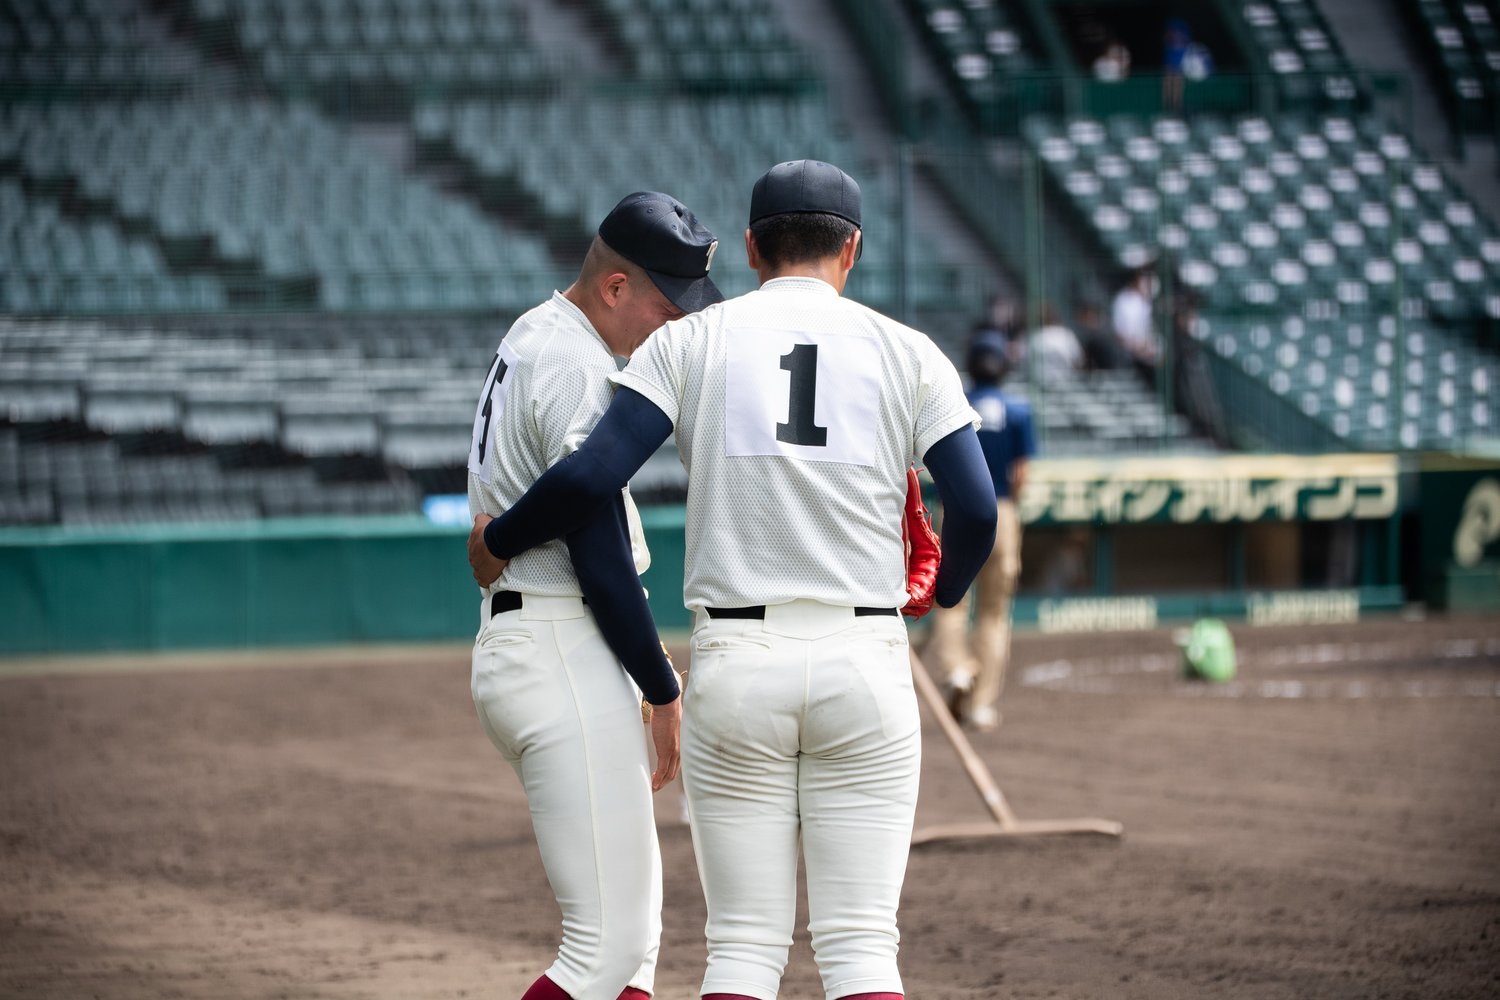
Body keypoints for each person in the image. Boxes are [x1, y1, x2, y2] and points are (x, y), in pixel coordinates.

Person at [467, 160, 998, 1000]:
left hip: (739, 658)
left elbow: (591, 477)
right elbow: (976, 507)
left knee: (743, 950)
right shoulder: (910, 350)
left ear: (750, 248)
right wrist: (945, 593)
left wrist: (498, 536)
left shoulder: (690, 340)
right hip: (865, 651)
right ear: (852, 249)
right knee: (863, 949)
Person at [466, 191, 722, 1000]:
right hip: (558, 645)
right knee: (604, 952)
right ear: (615, 287)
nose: (676, 326)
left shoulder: (538, 332)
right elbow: (599, 551)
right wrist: (662, 686)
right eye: (667, 307)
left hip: (541, 641)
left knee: (630, 952)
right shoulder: (574, 360)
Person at [924, 332, 1036, 730]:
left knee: (950, 600)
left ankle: (957, 668)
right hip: (1002, 511)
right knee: (993, 612)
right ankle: (980, 704)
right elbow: (1021, 474)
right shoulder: (1018, 410)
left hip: (954, 509)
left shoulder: (957, 402)